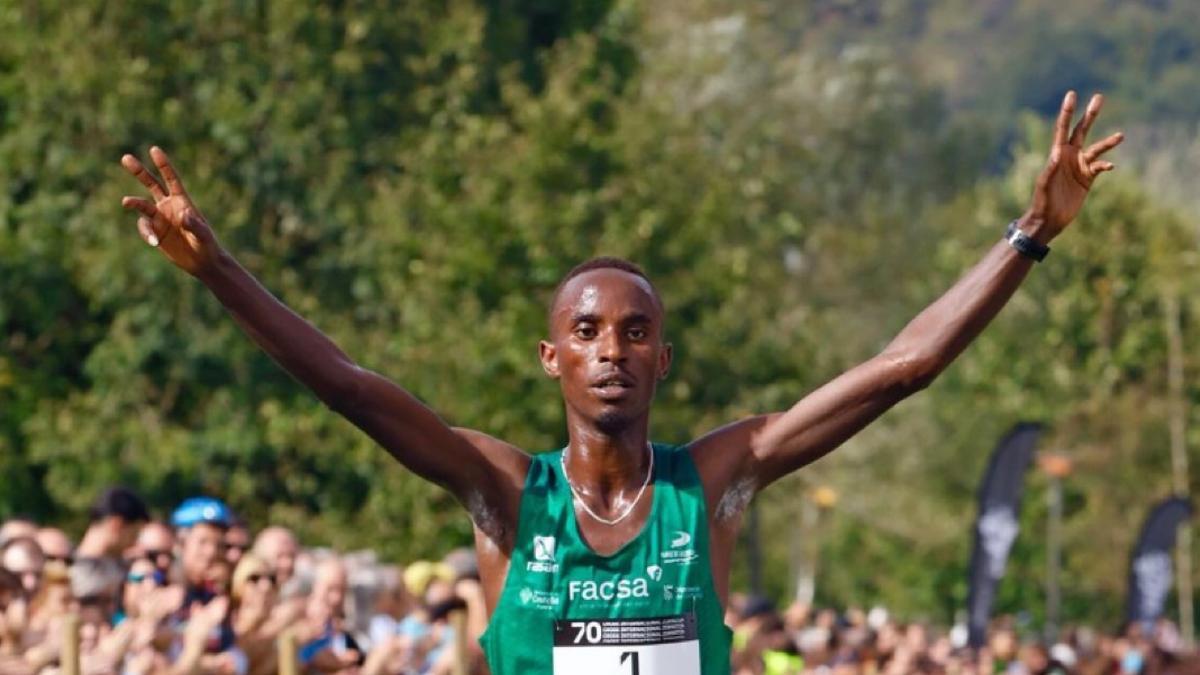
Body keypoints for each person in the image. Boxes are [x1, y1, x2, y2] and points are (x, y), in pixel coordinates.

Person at [119, 90, 1123, 674]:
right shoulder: (506, 492)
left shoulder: (717, 480)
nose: (613, 348)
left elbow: (903, 367)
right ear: (553, 358)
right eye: (589, 331)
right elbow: (346, 382)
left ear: (662, 359)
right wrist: (218, 270)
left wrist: (1029, 236)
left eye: (637, 332)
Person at [76, 486, 150, 562]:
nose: (135, 544)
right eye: (134, 535)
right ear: (116, 524)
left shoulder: (71, 567)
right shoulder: (69, 571)